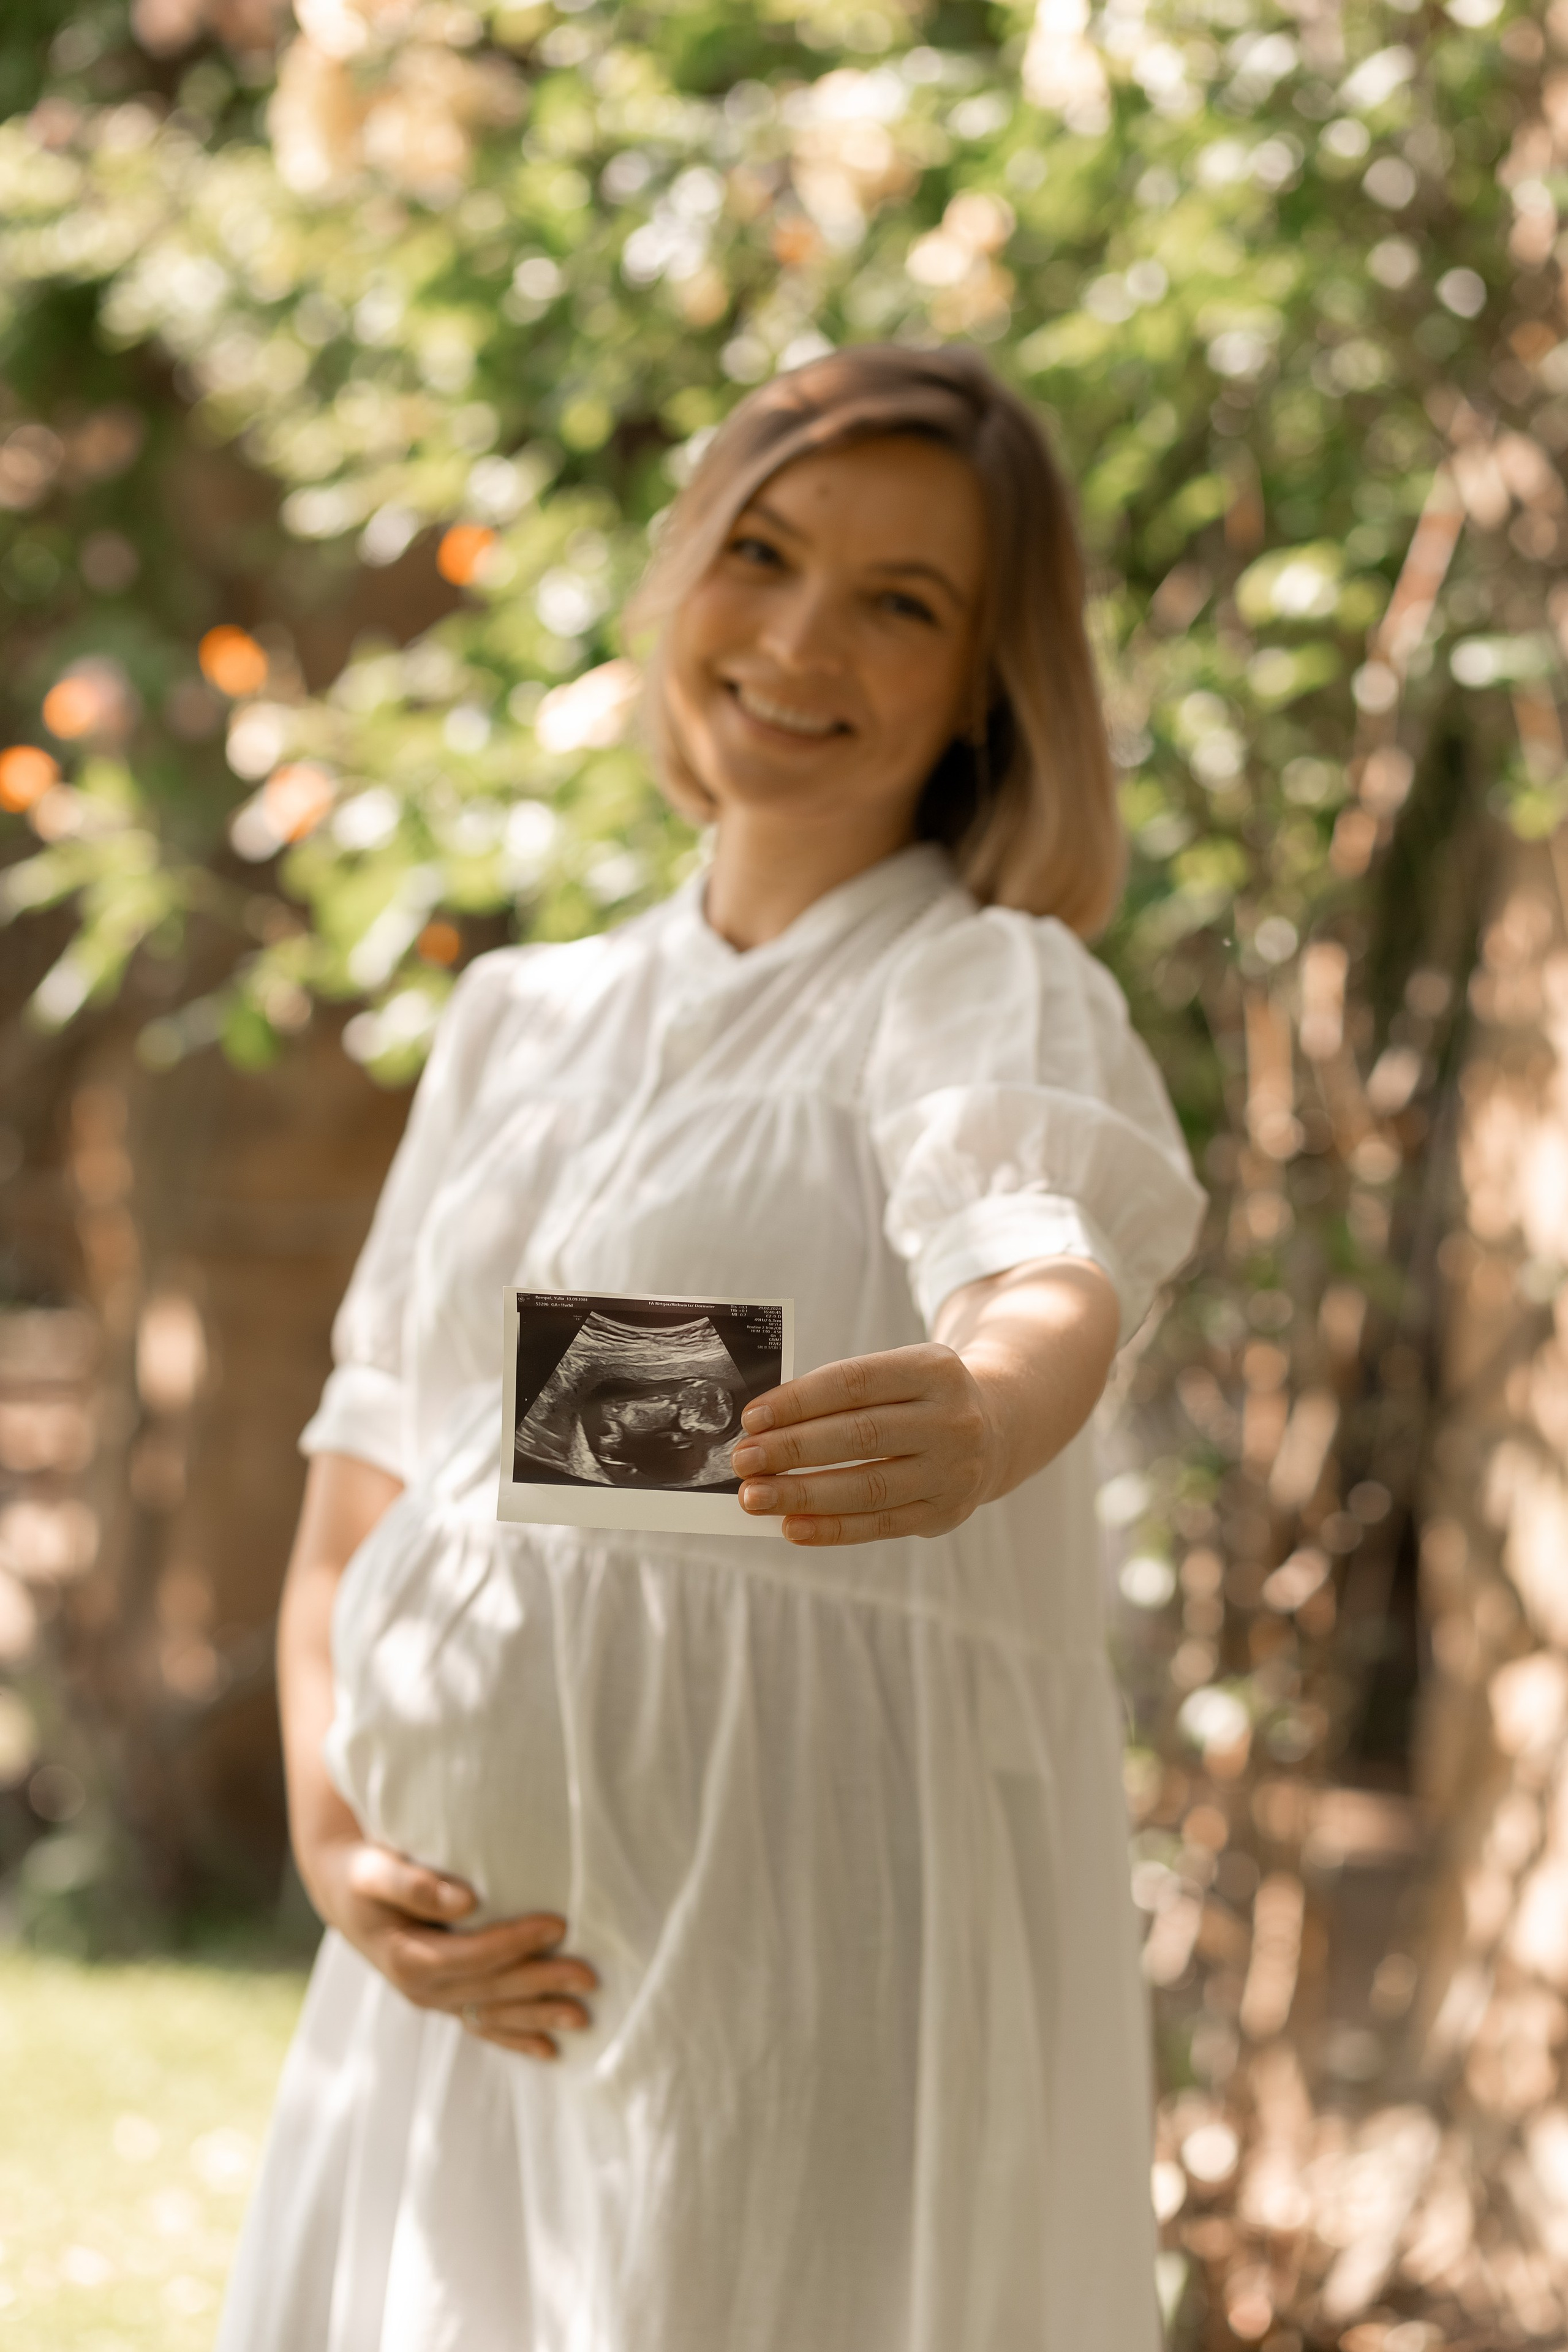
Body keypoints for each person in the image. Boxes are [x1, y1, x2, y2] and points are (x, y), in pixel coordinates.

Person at [217, 344, 1206, 2352]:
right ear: (683, 575)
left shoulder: (974, 985)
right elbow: (375, 1461)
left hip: (780, 1979)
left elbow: (1037, 1256)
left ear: (988, 684)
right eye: (763, 554)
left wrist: (995, 1401)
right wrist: (332, 1834)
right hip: (448, 2001)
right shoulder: (523, 1020)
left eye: (901, 602)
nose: (800, 639)